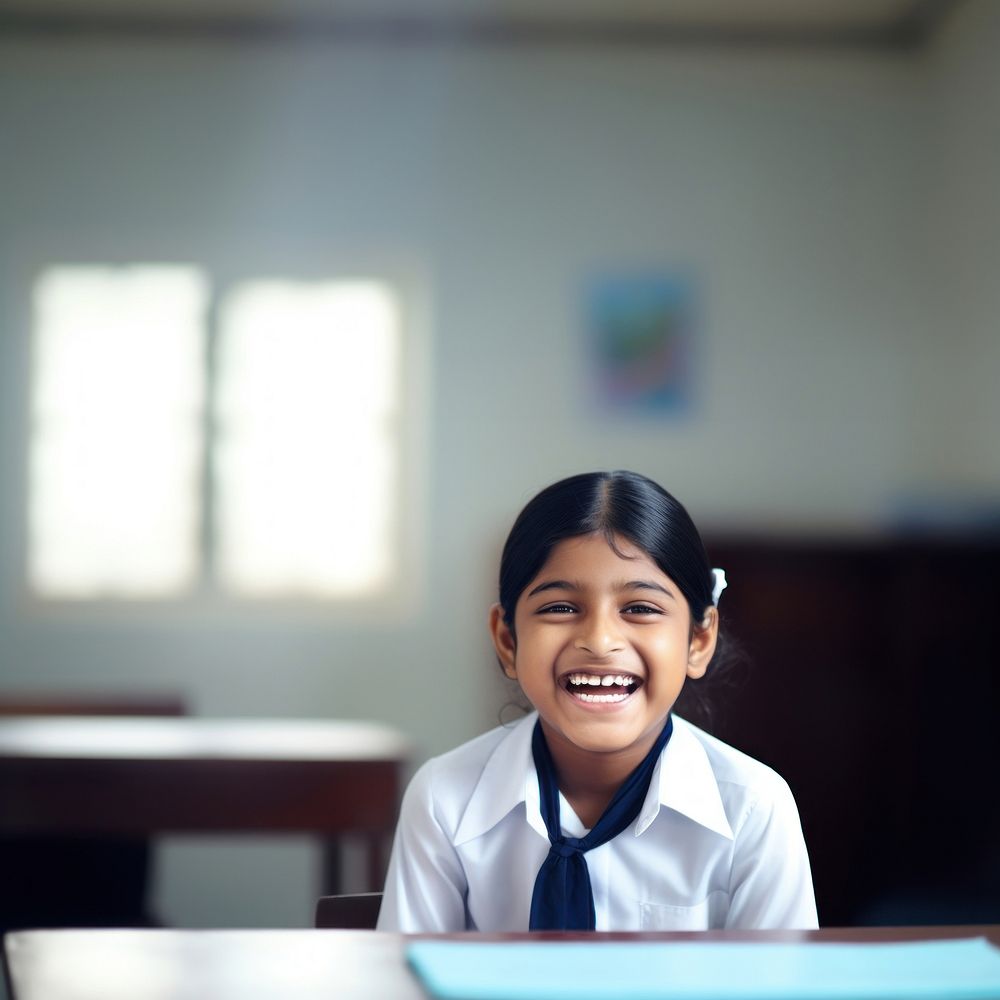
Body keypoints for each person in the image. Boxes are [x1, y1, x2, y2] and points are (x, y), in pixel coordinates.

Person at [377, 470, 817, 931]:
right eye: (560, 608)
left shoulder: (753, 809)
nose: (601, 640)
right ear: (507, 641)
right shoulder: (444, 799)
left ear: (698, 640)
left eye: (640, 609)